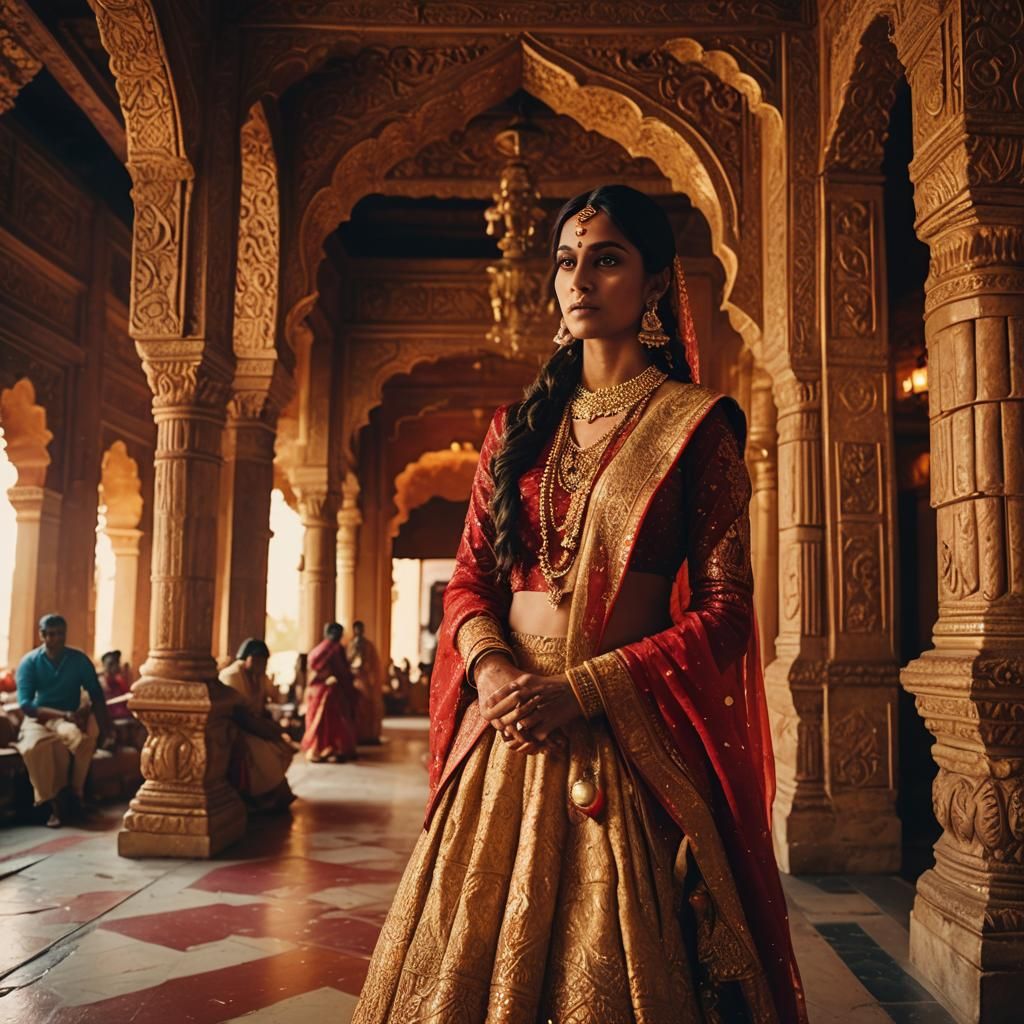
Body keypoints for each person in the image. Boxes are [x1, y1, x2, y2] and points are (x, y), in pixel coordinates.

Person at [354, 186, 806, 1023]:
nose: (580, 278)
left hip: (618, 730)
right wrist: (493, 675)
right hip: (509, 726)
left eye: (606, 258)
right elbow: (469, 584)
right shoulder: (518, 428)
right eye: (567, 260)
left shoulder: (695, 425)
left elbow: (725, 612)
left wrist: (582, 690)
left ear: (656, 281)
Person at [15, 614, 112, 827]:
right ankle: (52, 804)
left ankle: (76, 797)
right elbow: (26, 706)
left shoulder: (78, 660)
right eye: (50, 634)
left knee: (82, 741)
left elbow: (96, 693)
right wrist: (61, 715)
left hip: (68, 720)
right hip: (38, 721)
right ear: (41, 635)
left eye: (60, 634)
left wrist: (106, 728)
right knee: (35, 748)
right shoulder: (29, 663)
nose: (56, 639)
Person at [219, 638, 295, 812]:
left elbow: (265, 702)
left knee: (281, 748)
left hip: (253, 725)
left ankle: (270, 793)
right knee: (263, 753)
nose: (262, 664)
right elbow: (238, 714)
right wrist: (264, 730)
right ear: (249, 658)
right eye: (258, 659)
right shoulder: (232, 676)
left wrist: (271, 726)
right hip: (236, 728)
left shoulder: (258, 677)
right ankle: (258, 796)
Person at [301, 622, 358, 763]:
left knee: (316, 722)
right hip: (328, 693)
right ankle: (332, 749)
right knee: (331, 723)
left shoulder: (317, 649)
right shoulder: (335, 649)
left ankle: (315, 751)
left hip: (313, 692)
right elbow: (342, 672)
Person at [348, 619, 384, 744]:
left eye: (360, 629)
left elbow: (374, 664)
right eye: (356, 629)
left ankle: (370, 735)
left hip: (367, 681)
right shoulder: (351, 645)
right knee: (358, 708)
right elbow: (349, 660)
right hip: (355, 680)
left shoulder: (369, 646)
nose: (358, 631)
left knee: (370, 708)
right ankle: (358, 735)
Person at [99, 650, 133, 720]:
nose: (114, 667)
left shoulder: (120, 681)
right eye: (110, 664)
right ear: (104, 665)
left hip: (124, 715)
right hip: (108, 717)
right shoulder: (100, 683)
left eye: (116, 663)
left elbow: (127, 696)